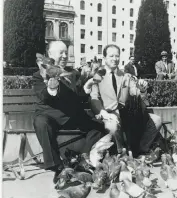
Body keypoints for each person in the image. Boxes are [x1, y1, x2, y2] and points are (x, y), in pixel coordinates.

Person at [33, 41, 110, 184]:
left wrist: (86, 89)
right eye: (60, 52)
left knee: (100, 127)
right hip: (51, 116)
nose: (64, 56)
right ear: (49, 54)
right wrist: (51, 88)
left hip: (73, 116)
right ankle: (57, 168)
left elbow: (77, 95)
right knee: (41, 122)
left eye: (66, 53)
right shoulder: (39, 75)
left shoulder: (73, 73)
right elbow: (44, 96)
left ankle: (83, 160)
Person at [84, 44, 162, 156]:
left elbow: (135, 92)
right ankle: (120, 154)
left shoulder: (126, 76)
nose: (115, 59)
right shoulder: (97, 76)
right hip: (108, 114)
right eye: (111, 56)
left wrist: (142, 89)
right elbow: (94, 98)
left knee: (157, 120)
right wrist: (103, 112)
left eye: (117, 56)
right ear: (104, 58)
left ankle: (141, 150)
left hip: (127, 114)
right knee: (113, 125)